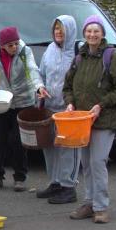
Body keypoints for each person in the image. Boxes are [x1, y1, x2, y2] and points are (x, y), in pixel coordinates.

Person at [64, 15, 116, 224]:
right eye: (89, 31)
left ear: (102, 34)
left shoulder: (112, 57)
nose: (92, 34)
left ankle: (101, 207)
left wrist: (102, 105)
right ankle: (89, 203)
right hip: (81, 120)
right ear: (84, 33)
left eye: (96, 31)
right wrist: (70, 103)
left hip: (103, 119)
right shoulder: (79, 58)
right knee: (86, 163)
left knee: (97, 161)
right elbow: (68, 86)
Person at [0, 26, 43, 192]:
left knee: (19, 141)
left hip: (23, 101)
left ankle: (20, 177)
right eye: (10, 45)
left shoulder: (25, 53)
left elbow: (33, 71)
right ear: (2, 45)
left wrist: (39, 87)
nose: (14, 47)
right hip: (2, 102)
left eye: (16, 43)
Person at [36, 15, 80, 204]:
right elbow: (40, 73)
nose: (58, 32)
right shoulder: (49, 51)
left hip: (69, 110)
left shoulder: (78, 53)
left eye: (62, 29)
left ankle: (68, 187)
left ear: (70, 31)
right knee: (50, 147)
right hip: (50, 108)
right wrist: (40, 87)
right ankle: (55, 183)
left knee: (68, 149)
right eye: (56, 29)